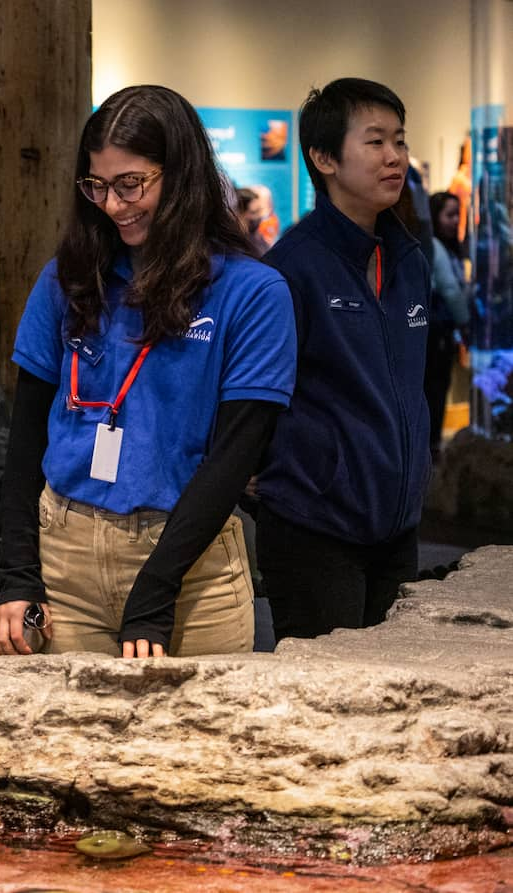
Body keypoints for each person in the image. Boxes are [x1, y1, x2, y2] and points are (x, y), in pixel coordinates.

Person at [0, 85, 297, 659]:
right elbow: (25, 436)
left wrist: (155, 592)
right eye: (97, 185)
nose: (112, 205)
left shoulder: (253, 293)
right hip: (66, 560)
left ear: (180, 176)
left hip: (191, 573)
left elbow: (234, 460)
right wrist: (17, 576)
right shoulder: (68, 278)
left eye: (132, 184)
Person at [255, 78, 430, 642]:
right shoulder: (292, 267)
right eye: (375, 141)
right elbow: (258, 397)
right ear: (324, 158)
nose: (394, 157)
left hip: (396, 528)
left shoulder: (407, 258)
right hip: (316, 529)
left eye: (399, 141)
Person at [425, 190, 470, 459]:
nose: (454, 221)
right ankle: (432, 447)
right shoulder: (435, 247)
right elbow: (451, 289)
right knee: (435, 388)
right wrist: (465, 323)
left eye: (457, 214)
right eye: (449, 215)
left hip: (442, 330)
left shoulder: (445, 248)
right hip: (437, 331)